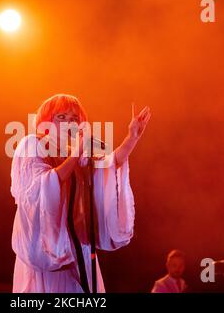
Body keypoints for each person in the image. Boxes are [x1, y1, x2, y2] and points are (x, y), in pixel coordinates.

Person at [10, 94, 151, 292]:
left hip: (78, 250)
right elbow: (41, 187)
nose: (69, 123)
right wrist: (77, 152)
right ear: (46, 121)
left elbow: (108, 167)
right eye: (62, 117)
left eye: (74, 119)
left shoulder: (77, 153)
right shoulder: (32, 144)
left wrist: (132, 138)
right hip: (48, 252)